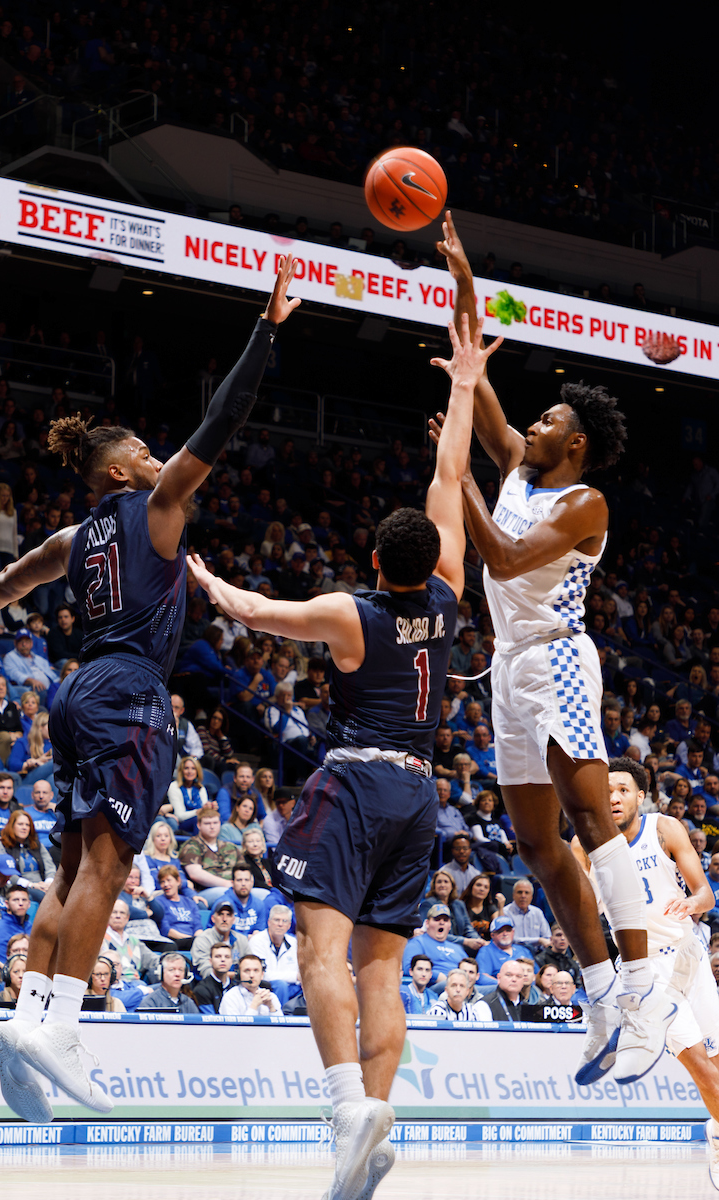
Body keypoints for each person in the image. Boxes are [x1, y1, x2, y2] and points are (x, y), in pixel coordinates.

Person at [0, 255, 301, 1123]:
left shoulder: (75, 536)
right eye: (141, 450)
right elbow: (223, 419)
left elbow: (15, 577)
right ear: (120, 475)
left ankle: (26, 1020)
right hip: (130, 690)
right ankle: (63, 1027)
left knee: (70, 869)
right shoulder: (159, 505)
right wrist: (266, 330)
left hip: (77, 693)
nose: (154, 454)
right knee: (110, 864)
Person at [186, 311, 497, 1200]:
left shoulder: (350, 613)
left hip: (357, 782)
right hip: (421, 798)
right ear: (434, 557)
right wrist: (465, 383)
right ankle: (378, 1118)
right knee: (382, 968)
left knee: (319, 952)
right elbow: (449, 473)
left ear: (372, 558)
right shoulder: (449, 593)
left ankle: (346, 1106)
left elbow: (253, 611)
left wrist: (206, 579)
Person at [438, 211, 669, 1086]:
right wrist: (463, 279)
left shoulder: (585, 505)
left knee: (592, 824)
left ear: (574, 443)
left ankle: (645, 997)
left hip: (561, 659)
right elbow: (475, 365)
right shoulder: (519, 468)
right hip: (510, 665)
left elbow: (500, 556)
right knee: (536, 843)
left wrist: (454, 475)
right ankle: (602, 991)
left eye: (544, 420)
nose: (527, 425)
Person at [573, 756, 719, 1187]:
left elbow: (706, 894)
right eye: (606, 791)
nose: (613, 798)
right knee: (700, 1067)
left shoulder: (664, 828)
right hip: (644, 970)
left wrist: (692, 903)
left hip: (689, 956)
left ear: (641, 795)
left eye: (622, 790)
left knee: (716, 1064)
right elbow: (579, 914)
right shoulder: (584, 844)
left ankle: (716, 1131)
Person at [248, 904, 300, 1006]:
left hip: (291, 986)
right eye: (277, 920)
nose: (280, 924)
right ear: (269, 922)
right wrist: (295, 976)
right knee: (281, 985)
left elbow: (299, 972)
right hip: (265, 986)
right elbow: (262, 974)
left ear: (289, 925)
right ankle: (281, 1015)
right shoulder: (257, 941)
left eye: (284, 921)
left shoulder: (294, 942)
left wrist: (298, 978)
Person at [190, 899, 250, 979]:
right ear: (213, 918)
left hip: (237, 984)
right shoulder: (202, 940)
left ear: (233, 920)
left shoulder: (241, 940)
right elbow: (207, 973)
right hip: (209, 985)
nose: (224, 919)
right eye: (221, 914)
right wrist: (237, 975)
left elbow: (250, 966)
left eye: (228, 915)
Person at [475, 914, 538, 981]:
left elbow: (537, 974)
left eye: (508, 930)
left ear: (513, 932)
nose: (505, 934)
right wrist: (503, 983)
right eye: (500, 931)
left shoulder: (523, 950)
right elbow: (482, 977)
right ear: (492, 935)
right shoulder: (486, 951)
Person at [218, 952, 282, 1015]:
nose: (251, 975)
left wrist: (271, 1008)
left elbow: (281, 1021)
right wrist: (254, 1005)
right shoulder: (230, 997)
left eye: (256, 970)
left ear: (262, 975)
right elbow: (232, 1022)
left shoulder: (271, 997)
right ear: (239, 975)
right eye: (247, 971)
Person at [0, 882, 34, 961]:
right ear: (7, 904)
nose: (21, 903)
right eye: (16, 900)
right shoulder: (0, 930)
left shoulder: (31, 927)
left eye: (24, 900)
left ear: (29, 904)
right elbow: (3, 963)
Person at [503, 878, 552, 954]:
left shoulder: (537, 912)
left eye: (527, 893)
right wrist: (538, 940)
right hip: (514, 954)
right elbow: (510, 939)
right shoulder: (506, 912)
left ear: (531, 897)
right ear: (513, 895)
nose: (523, 896)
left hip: (537, 955)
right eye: (520, 892)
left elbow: (547, 937)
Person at [427, 968, 492, 1021]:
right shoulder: (437, 1011)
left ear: (467, 991)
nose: (458, 990)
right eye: (454, 985)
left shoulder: (471, 1011)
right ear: (446, 990)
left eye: (462, 986)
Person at [191, 941, 234, 1013]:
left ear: (231, 961)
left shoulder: (236, 988)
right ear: (210, 961)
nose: (223, 960)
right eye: (218, 956)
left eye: (227, 957)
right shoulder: (201, 989)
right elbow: (211, 1018)